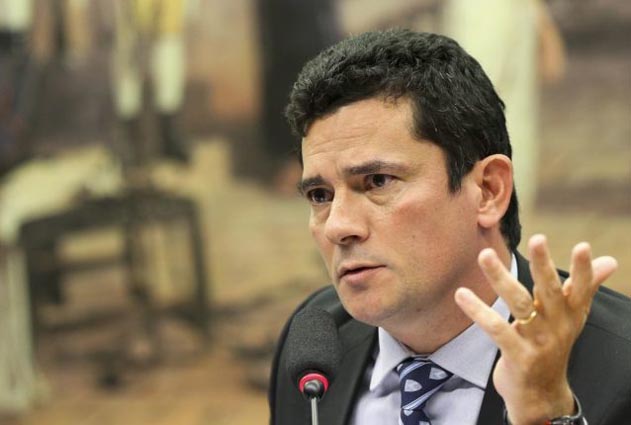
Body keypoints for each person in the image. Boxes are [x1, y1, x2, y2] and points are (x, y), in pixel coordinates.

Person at [268, 29, 631, 425]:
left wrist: (547, 415)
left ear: (488, 190)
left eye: (377, 181)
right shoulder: (317, 345)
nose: (338, 226)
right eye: (320, 195)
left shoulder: (620, 366)